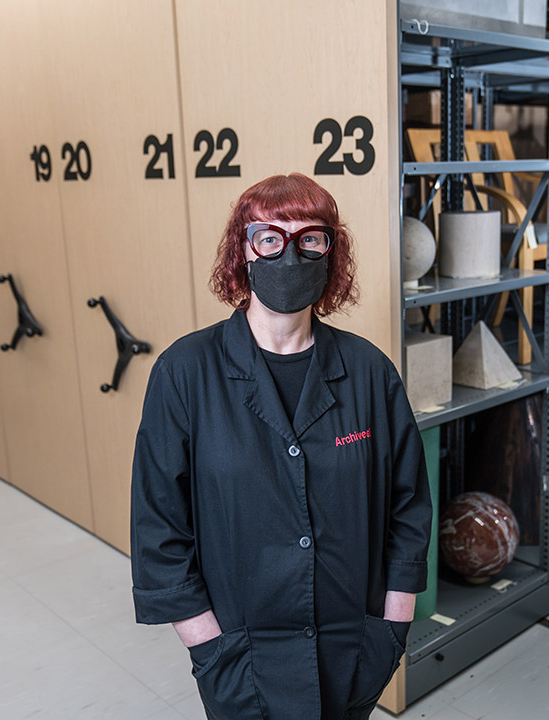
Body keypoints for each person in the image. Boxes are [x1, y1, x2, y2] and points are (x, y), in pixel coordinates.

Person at [130, 173, 432, 719]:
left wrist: (392, 626)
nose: (290, 254)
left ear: (330, 252)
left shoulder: (368, 372)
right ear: (242, 252)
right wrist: (208, 647)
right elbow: (158, 525)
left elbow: (407, 505)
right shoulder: (185, 372)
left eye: (310, 238)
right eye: (270, 238)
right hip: (242, 658)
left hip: (351, 649)